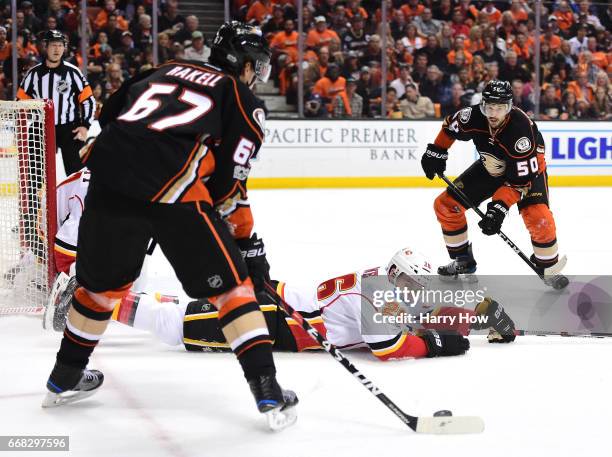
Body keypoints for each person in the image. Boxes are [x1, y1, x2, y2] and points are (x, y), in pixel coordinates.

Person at [41, 21, 298, 431]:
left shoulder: (160, 70)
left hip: (108, 179)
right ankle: (267, 389)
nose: (257, 75)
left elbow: (111, 115)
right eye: (257, 66)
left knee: (99, 289)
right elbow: (230, 188)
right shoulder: (243, 100)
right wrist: (247, 248)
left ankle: (63, 376)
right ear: (245, 63)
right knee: (233, 289)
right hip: (172, 188)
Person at [47, 247, 517, 360]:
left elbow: (424, 302)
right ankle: (88, 301)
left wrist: (483, 310)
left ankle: (102, 298)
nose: (418, 291)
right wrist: (439, 344)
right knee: (180, 326)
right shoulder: (384, 299)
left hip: (283, 300)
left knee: (190, 309)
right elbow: (389, 350)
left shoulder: (386, 281)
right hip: (277, 322)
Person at [420, 80, 566, 285]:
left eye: (500, 108)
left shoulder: (520, 131)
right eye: (489, 107)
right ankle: (463, 261)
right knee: (445, 205)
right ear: (483, 105)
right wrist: (437, 151)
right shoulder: (472, 116)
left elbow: (519, 183)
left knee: (539, 219)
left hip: (527, 174)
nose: (493, 114)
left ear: (509, 107)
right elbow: (450, 127)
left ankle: (548, 266)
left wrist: (498, 208)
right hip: (492, 167)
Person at [17, 30, 95, 175]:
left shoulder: (73, 72)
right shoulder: (33, 74)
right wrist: (26, 122)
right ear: (45, 47)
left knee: (76, 172)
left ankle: (76, 198)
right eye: (53, 45)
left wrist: (85, 126)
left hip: (69, 128)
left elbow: (88, 100)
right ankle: (37, 197)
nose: (57, 49)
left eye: (60, 45)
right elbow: (20, 102)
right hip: (41, 127)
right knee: (35, 173)